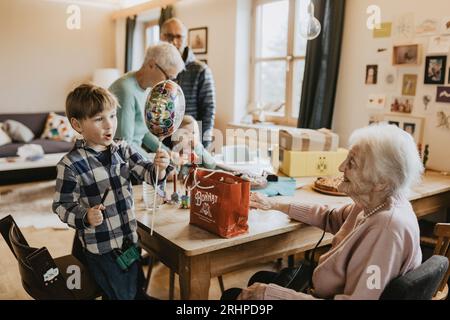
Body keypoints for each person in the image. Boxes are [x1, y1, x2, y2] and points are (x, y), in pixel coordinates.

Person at [223, 124, 424, 300]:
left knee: (235, 295)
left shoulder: (386, 230)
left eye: (351, 163)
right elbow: (331, 217)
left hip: (325, 294)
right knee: (260, 279)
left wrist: (270, 294)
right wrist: (275, 204)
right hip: (322, 286)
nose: (340, 167)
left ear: (381, 182)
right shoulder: (375, 202)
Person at [53, 84, 172, 300]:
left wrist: (160, 168)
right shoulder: (70, 165)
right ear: (77, 124)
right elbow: (61, 206)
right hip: (103, 250)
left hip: (130, 239)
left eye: (113, 115)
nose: (110, 125)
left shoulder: (123, 149)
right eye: (99, 119)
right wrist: (85, 215)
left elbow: (148, 173)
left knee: (135, 287)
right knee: (121, 295)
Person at [109, 42, 185, 159]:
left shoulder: (149, 89)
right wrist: (157, 160)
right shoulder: (125, 91)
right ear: (151, 65)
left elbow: (143, 132)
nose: (169, 83)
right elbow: (124, 145)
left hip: (135, 159)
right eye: (168, 77)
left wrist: (168, 153)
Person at [160, 18, 217, 149]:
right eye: (169, 36)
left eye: (178, 37)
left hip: (190, 142)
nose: (174, 41)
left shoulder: (201, 70)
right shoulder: (157, 68)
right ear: (161, 37)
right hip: (161, 144)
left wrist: (203, 147)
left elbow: (208, 110)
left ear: (185, 39)